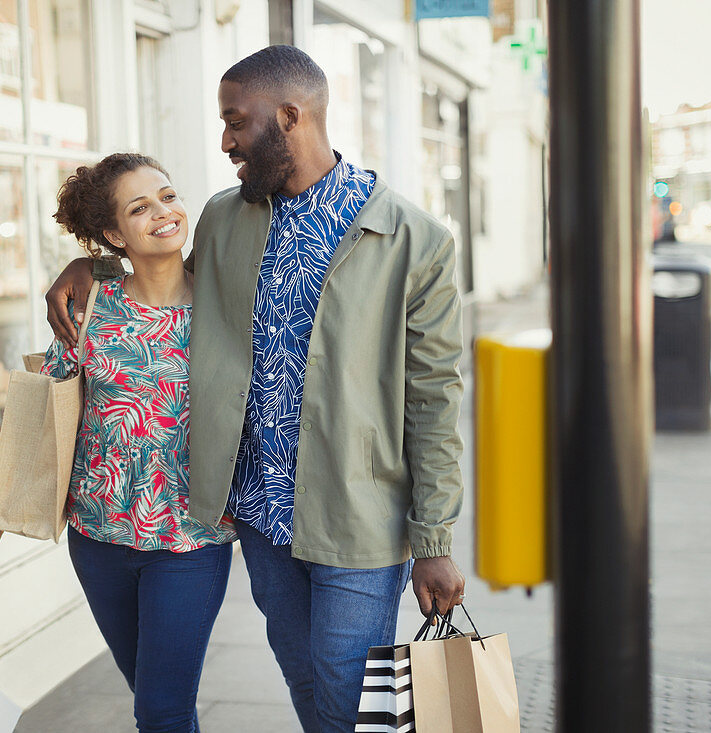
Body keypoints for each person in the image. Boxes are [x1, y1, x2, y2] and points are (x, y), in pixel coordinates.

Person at [46, 46, 466, 733]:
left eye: (237, 122)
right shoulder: (222, 218)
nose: (227, 141)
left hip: (359, 513)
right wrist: (87, 262)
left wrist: (435, 536)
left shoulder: (413, 239)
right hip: (261, 516)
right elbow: (155, 269)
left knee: (344, 682)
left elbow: (435, 399)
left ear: (290, 117)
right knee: (303, 671)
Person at [0, 153, 237, 733]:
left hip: (190, 542)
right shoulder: (87, 310)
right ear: (114, 234)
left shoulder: (226, 306)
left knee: (159, 711)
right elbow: (46, 416)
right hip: (98, 541)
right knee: (157, 695)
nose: (164, 213)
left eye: (167, 196)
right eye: (140, 208)